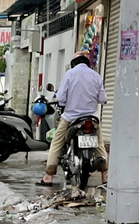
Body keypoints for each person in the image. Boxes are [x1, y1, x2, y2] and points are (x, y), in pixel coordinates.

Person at [41, 51, 109, 186]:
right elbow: (103, 99)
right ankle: (105, 175)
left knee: (56, 142)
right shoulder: (96, 76)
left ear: (73, 64)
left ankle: (48, 176)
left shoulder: (69, 74)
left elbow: (60, 98)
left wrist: (65, 102)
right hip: (91, 118)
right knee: (99, 144)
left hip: (71, 118)